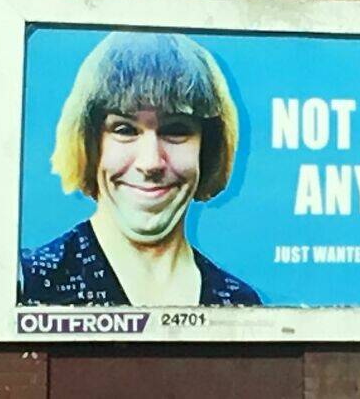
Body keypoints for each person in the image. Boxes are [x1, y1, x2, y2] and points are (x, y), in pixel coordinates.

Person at [18, 32, 261, 306]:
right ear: (89, 142)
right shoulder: (27, 283)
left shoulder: (239, 302)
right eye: (124, 130)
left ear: (208, 148)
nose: (150, 163)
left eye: (176, 130)